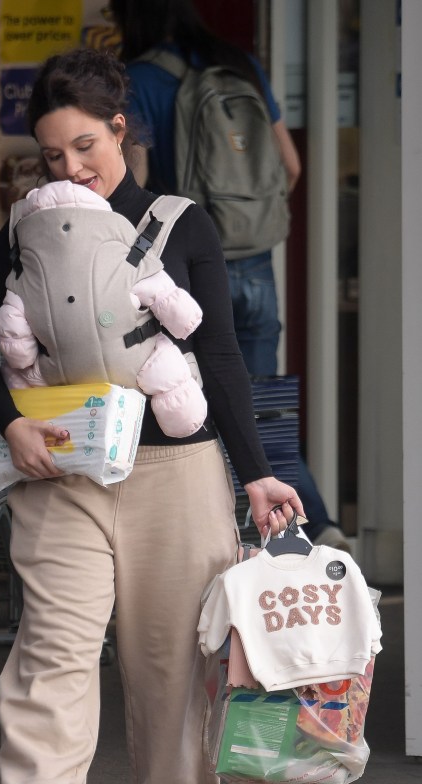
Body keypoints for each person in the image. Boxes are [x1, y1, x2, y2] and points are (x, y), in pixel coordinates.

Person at [0, 46, 303, 784]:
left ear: (120, 130)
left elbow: (218, 353)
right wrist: (14, 422)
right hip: (65, 472)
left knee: (172, 666)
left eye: (84, 148)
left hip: (175, 477)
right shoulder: (30, 229)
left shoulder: (182, 224)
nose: (70, 169)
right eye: (52, 156)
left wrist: (255, 476)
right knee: (53, 653)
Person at [109, 0, 351, 552]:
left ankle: (222, 543)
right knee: (258, 405)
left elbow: (135, 196)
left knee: (190, 409)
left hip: (187, 274)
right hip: (257, 266)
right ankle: (312, 527)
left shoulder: (140, 79)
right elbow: (289, 165)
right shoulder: (241, 65)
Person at [0, 178, 207, 437]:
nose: (72, 167)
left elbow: (15, 341)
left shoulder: (24, 272)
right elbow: (168, 298)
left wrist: (19, 357)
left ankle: (27, 414)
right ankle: (182, 414)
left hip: (62, 380)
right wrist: (185, 320)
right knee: (167, 375)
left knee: (22, 378)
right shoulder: (125, 258)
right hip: (137, 365)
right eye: (54, 155)